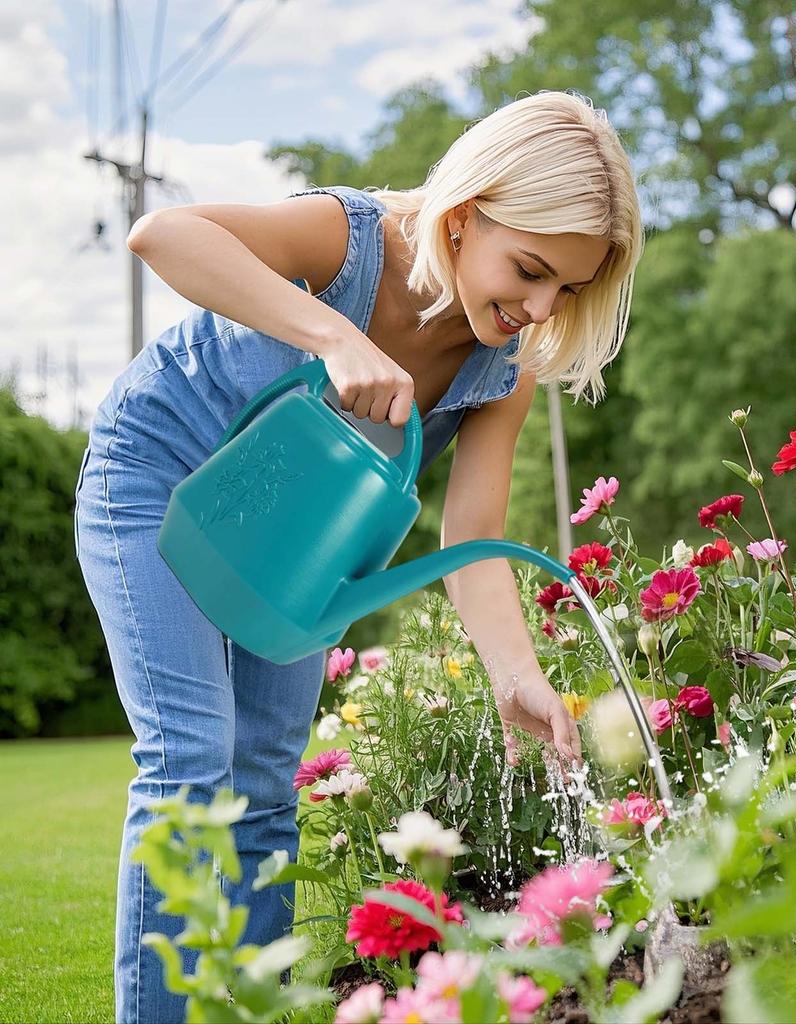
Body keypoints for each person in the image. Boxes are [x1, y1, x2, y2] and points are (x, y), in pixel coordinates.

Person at [73, 89, 644, 1023]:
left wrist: (516, 672)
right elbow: (163, 234)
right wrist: (331, 333)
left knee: (264, 778)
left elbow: (469, 539)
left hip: (297, 536)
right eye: (532, 269)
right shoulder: (351, 238)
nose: (542, 306)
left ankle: (251, 1009)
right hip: (158, 475)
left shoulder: (500, 369)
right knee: (190, 754)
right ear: (464, 218)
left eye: (569, 290)